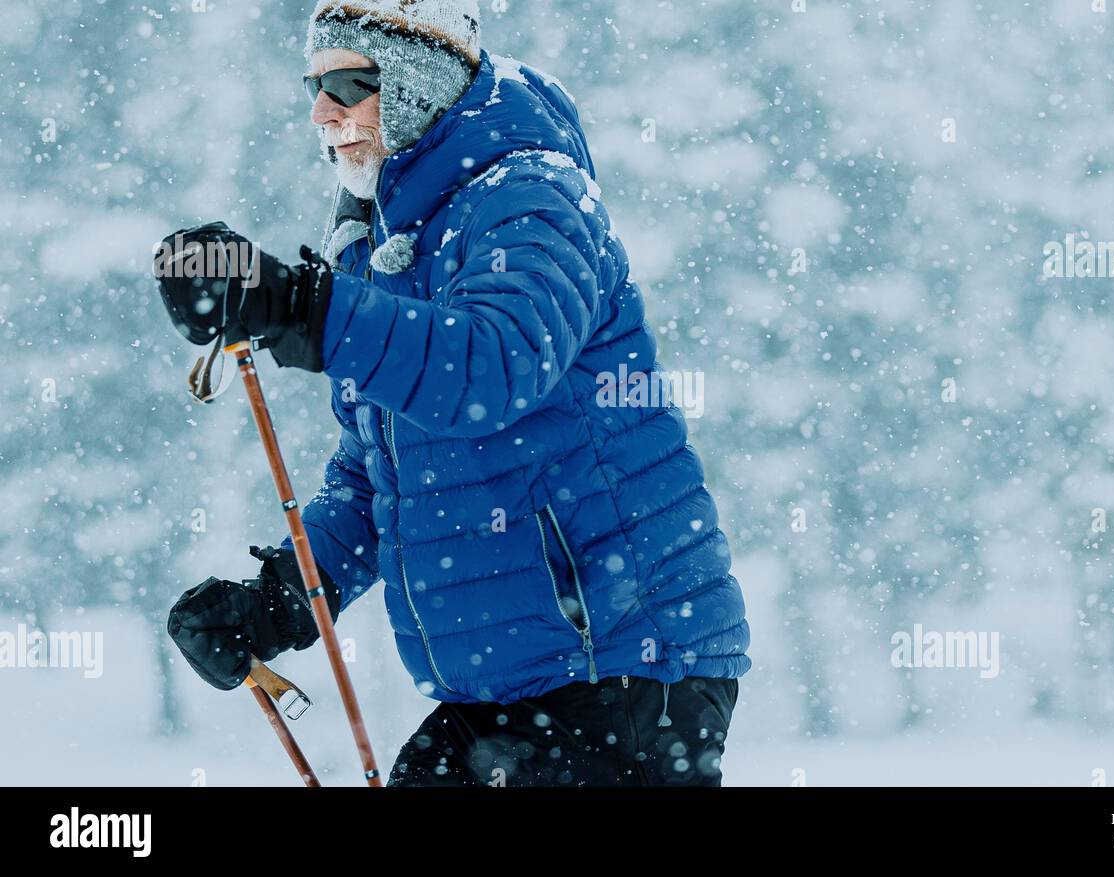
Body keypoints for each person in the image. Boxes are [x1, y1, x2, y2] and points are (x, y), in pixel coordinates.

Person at [154, 0, 751, 787]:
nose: (320, 111)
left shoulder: (529, 198)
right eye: (314, 84)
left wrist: (300, 304)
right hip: (512, 692)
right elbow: (381, 478)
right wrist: (278, 602)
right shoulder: (383, 247)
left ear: (414, 84)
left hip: (624, 668)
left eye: (349, 83)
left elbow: (493, 365)